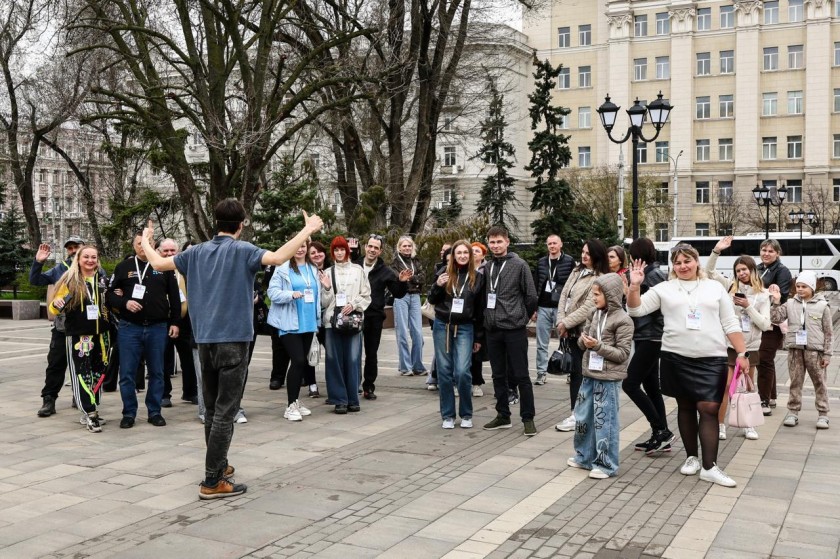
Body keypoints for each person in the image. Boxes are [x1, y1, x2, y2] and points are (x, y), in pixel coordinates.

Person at [141, 199, 324, 500]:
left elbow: (159, 264)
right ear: (241, 224)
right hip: (234, 341)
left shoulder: (195, 252)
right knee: (225, 412)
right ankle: (212, 480)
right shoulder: (244, 251)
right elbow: (279, 257)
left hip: (204, 341)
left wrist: (148, 242)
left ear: (216, 223)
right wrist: (308, 229)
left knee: (212, 411)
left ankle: (219, 465)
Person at [628, 244, 749, 488]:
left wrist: (742, 352)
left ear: (696, 262)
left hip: (712, 357)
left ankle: (710, 466)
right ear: (673, 265)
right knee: (685, 407)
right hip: (676, 356)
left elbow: (730, 322)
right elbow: (636, 309)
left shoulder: (714, 287)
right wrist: (634, 285)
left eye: (688, 261)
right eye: (678, 262)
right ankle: (692, 458)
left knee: (709, 408)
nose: (683, 266)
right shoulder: (664, 288)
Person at [108, 232, 181, 429]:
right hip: (130, 327)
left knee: (157, 371)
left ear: (153, 245)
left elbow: (174, 297)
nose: (143, 246)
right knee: (127, 373)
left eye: (147, 243)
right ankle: (129, 413)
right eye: (139, 243)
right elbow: (109, 295)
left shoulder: (162, 265)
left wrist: (175, 322)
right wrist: (125, 302)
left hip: (157, 327)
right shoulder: (124, 267)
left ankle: (154, 411)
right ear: (133, 246)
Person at [566, 273, 633, 479]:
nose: (594, 298)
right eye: (593, 294)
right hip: (589, 374)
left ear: (611, 295)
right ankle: (584, 456)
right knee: (584, 417)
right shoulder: (595, 314)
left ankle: (606, 464)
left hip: (608, 379)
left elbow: (622, 354)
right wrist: (583, 341)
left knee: (605, 422)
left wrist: (598, 346)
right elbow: (581, 342)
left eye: (597, 294)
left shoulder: (624, 320)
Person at [706, 237, 772, 441]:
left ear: (753, 270)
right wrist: (716, 250)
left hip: (751, 347)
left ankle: (748, 424)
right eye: (738, 270)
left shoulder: (763, 294)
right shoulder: (729, 287)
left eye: (745, 269)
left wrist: (748, 307)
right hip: (730, 345)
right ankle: (720, 424)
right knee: (725, 386)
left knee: (746, 386)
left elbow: (765, 324)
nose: (741, 273)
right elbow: (709, 273)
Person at [481, 225, 539, 437]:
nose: (495, 245)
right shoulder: (487, 267)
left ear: (507, 242)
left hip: (514, 328)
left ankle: (528, 418)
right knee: (497, 374)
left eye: (499, 241)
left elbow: (531, 296)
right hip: (493, 329)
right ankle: (503, 415)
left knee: (521, 374)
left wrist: (521, 317)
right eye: (492, 242)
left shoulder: (519, 265)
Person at [48, 245, 111, 433]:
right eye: (86, 257)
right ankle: (89, 412)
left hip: (103, 335)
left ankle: (93, 407)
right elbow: (53, 308)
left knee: (99, 373)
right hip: (79, 336)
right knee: (82, 374)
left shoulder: (103, 280)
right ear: (78, 259)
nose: (90, 261)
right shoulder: (70, 280)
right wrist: (56, 303)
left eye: (94, 257)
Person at [267, 242, 328, 421]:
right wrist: (290, 295)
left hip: (309, 324)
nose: (300, 249)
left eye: (303, 246)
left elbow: (317, 297)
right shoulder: (283, 268)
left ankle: (295, 401)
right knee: (298, 360)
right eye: (297, 246)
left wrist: (326, 287)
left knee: (302, 364)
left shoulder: (312, 268)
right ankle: (290, 406)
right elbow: (272, 293)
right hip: (290, 323)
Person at [428, 240, 486, 429]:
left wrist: (478, 336)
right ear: (452, 256)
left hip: (465, 327)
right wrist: (437, 285)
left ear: (470, 256)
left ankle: (466, 413)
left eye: (465, 253)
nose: (461, 256)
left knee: (462, 371)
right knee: (444, 372)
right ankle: (448, 415)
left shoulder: (477, 277)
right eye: (458, 253)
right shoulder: (444, 273)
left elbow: (479, 309)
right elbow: (431, 299)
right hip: (442, 326)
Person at [623, 239, 673, 454]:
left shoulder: (653, 276)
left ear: (636, 256)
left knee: (630, 384)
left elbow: (662, 308)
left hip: (651, 337)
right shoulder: (653, 273)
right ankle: (661, 435)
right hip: (646, 335)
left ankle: (660, 429)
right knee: (652, 387)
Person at [555, 239, 610, 432]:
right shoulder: (577, 271)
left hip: (584, 331)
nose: (584, 256)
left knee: (581, 374)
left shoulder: (600, 277)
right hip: (569, 329)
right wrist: (561, 320)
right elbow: (564, 296)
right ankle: (576, 412)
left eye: (588, 253)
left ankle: (579, 415)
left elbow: (589, 306)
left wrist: (566, 322)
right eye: (583, 252)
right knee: (575, 374)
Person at [769, 271, 832, 430]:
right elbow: (776, 319)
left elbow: (829, 332)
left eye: (804, 286)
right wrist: (776, 302)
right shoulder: (790, 303)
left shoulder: (822, 305)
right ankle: (793, 412)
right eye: (798, 286)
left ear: (812, 287)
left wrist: (827, 354)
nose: (800, 289)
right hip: (795, 350)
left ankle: (823, 414)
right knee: (795, 382)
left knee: (820, 382)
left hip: (815, 352)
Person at [32, 236, 84, 417]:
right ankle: (49, 399)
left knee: (82, 365)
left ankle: (80, 397)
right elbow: (36, 280)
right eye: (69, 248)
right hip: (62, 327)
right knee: (55, 364)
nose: (73, 250)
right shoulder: (60, 269)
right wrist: (38, 263)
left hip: (85, 328)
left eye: (76, 246)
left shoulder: (93, 268)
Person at [355, 234, 411, 400]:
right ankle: (353, 383)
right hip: (355, 315)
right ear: (365, 247)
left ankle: (368, 386)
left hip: (374, 317)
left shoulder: (385, 271)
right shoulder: (355, 265)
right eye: (370, 246)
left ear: (380, 251)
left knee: (371, 354)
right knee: (353, 353)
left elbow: (399, 294)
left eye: (376, 248)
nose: (372, 250)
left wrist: (401, 282)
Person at [321, 236, 371, 414]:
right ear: (332, 252)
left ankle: (352, 398)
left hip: (353, 321)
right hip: (332, 321)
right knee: (334, 359)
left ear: (347, 251)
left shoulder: (358, 270)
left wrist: (354, 304)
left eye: (342, 249)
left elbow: (366, 295)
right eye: (336, 250)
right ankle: (339, 399)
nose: (339, 253)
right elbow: (324, 302)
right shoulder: (328, 271)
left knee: (352, 358)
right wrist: (326, 288)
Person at [158, 239, 199, 407]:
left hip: (185, 321)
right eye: (165, 251)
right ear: (159, 252)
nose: (169, 254)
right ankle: (164, 394)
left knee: (189, 358)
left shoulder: (186, 269)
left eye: (172, 251)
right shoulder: (156, 270)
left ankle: (190, 392)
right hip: (163, 320)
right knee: (163, 358)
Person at [533, 234, 575, 386]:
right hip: (543, 306)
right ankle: (541, 373)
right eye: (549, 243)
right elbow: (536, 283)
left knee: (565, 341)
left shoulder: (569, 261)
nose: (552, 246)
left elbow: (572, 285)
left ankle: (569, 371)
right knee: (541, 343)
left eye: (554, 243)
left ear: (561, 244)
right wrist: (534, 308)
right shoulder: (542, 262)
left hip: (561, 308)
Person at [755, 238, 792, 415]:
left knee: (764, 359)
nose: (766, 253)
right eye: (764, 250)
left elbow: (782, 296)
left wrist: (764, 295)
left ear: (778, 253)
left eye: (770, 251)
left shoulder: (782, 271)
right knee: (764, 359)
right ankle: (771, 395)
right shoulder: (758, 268)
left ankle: (764, 400)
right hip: (757, 318)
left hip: (773, 322)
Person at [391, 236, 426, 376]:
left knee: (418, 332)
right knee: (403, 332)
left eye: (409, 246)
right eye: (404, 246)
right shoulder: (394, 263)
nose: (407, 248)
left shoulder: (416, 261)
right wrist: (410, 279)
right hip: (401, 297)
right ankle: (405, 366)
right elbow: (397, 279)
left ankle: (417, 365)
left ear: (413, 248)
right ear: (399, 247)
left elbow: (423, 278)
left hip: (416, 296)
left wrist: (411, 278)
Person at [469, 242, 489, 396]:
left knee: (476, 350)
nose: (474, 253)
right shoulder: (462, 269)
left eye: (477, 251)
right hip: (463, 316)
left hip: (479, 316)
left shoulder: (487, 271)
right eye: (472, 250)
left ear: (483, 255)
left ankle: (476, 382)